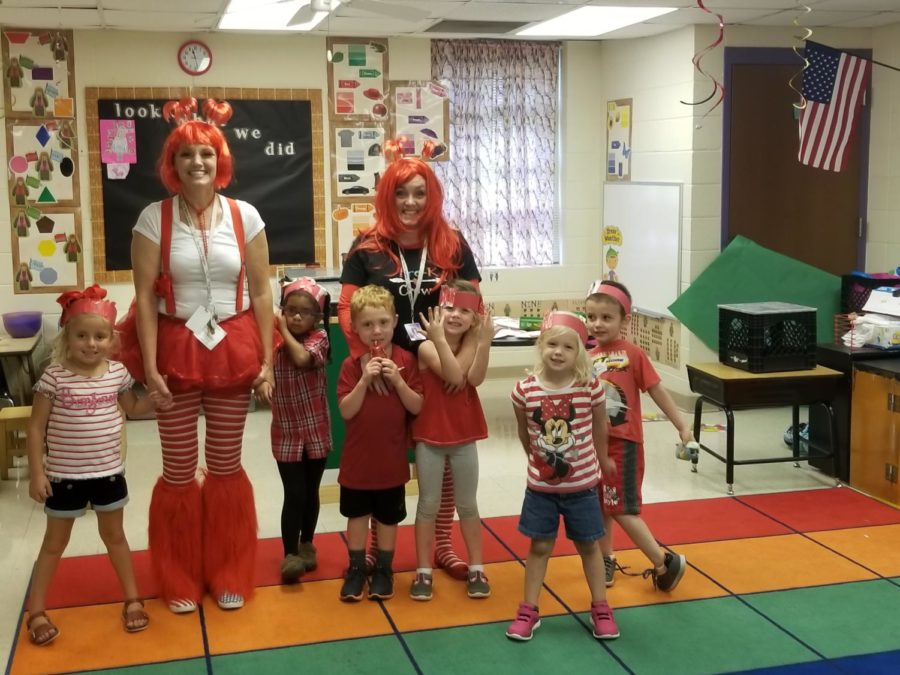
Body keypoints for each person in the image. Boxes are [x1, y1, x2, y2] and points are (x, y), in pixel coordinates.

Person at [119, 97, 275, 614]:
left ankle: (229, 569)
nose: (197, 163)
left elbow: (260, 291)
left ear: (220, 159)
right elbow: (143, 298)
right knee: (180, 470)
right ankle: (180, 574)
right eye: (186, 155)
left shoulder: (245, 215)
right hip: (175, 351)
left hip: (233, 350)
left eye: (206, 153)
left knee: (227, 467)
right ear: (172, 164)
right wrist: (149, 372)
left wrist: (269, 362)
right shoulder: (151, 218)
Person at [338, 146, 480, 580]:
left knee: (442, 456)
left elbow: (474, 308)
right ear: (388, 196)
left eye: (420, 192)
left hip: (441, 370)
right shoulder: (366, 247)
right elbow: (347, 310)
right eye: (401, 193)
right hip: (387, 370)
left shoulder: (452, 243)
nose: (411, 202)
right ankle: (374, 556)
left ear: (432, 195)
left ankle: (441, 545)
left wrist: (462, 362)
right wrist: (368, 363)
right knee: (382, 461)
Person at [25, 285, 161, 646]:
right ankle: (36, 610)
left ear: (111, 339)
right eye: (82, 335)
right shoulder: (54, 376)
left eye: (100, 336)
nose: (91, 343)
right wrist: (37, 473)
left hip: (109, 474)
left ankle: (132, 598)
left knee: (115, 537)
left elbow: (133, 408)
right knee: (54, 544)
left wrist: (158, 401)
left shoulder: (117, 373)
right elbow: (36, 427)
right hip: (65, 477)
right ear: (67, 337)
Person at [507, 311, 619, 642]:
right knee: (539, 546)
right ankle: (529, 609)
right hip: (540, 489)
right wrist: (535, 462)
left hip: (582, 486)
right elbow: (524, 433)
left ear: (579, 353)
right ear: (541, 345)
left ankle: (601, 606)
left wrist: (602, 458)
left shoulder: (590, 388)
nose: (558, 352)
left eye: (567, 347)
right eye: (552, 344)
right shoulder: (524, 390)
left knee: (589, 546)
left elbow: (600, 426)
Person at [584, 280, 691, 591]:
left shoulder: (632, 354)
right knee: (601, 505)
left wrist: (682, 426)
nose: (597, 324)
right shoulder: (587, 357)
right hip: (593, 447)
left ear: (624, 320)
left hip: (623, 446)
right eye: (591, 317)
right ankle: (606, 558)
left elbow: (657, 391)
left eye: (606, 317)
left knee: (621, 508)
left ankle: (662, 562)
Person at [336, 285, 423, 602]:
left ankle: (384, 570)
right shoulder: (350, 366)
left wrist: (397, 380)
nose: (376, 331)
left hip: (391, 462)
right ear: (355, 328)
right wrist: (364, 380)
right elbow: (346, 410)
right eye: (368, 324)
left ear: (395, 321)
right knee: (357, 517)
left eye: (383, 323)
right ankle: (357, 568)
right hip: (358, 463)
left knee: (388, 519)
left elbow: (416, 406)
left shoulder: (406, 360)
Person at [410, 280, 494, 601]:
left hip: (463, 435)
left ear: (475, 317)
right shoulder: (427, 344)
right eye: (449, 308)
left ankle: (477, 567)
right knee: (428, 504)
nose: (455, 315)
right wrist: (471, 340)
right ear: (437, 310)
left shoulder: (472, 341)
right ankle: (423, 570)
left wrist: (482, 344)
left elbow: (474, 379)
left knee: (468, 504)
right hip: (430, 436)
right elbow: (455, 375)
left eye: (465, 311)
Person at [271, 277, 332, 583]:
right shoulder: (271, 340)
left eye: (303, 312)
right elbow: (259, 366)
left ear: (317, 318)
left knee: (310, 492)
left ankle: (307, 544)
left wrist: (280, 329)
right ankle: (289, 554)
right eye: (290, 310)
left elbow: (301, 358)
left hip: (315, 431)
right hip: (285, 433)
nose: (295, 317)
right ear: (282, 309)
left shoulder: (319, 338)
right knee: (293, 493)